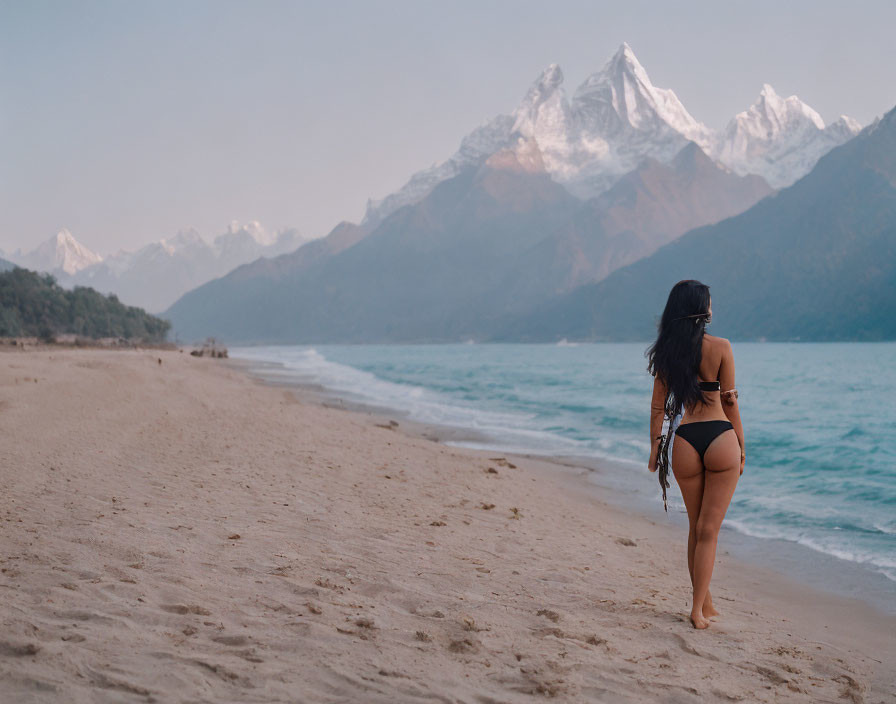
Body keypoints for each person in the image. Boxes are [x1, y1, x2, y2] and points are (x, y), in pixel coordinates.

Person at [646, 280, 745, 629]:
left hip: (685, 440)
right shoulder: (722, 347)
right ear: (702, 309)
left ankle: (706, 603)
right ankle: (696, 611)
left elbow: (659, 408)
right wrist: (741, 447)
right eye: (710, 302)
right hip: (720, 437)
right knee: (709, 531)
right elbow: (730, 401)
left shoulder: (668, 355)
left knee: (695, 528)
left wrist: (656, 449)